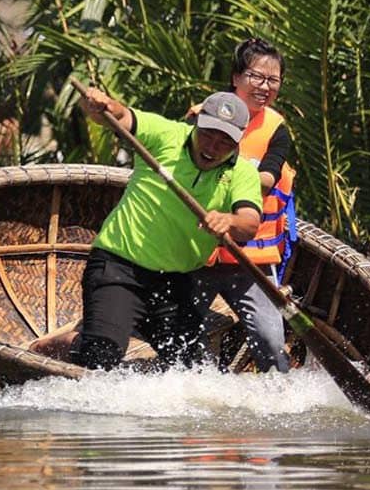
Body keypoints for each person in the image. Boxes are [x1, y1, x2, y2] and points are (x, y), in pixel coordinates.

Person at [67, 88, 263, 370]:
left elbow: (249, 222)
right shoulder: (166, 134)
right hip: (119, 268)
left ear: (238, 141)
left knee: (192, 371)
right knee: (102, 357)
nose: (212, 146)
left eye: (225, 141)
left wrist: (229, 221)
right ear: (197, 123)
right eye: (207, 133)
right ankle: (65, 346)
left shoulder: (242, 172)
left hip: (175, 284)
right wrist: (102, 106)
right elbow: (119, 116)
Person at [192, 39, 299, 372]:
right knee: (181, 333)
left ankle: (278, 396)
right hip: (198, 251)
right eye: (257, 77)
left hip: (250, 256)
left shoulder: (276, 129)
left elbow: (268, 176)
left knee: (270, 341)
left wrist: (234, 171)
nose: (265, 87)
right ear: (236, 77)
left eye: (273, 80)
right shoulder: (201, 116)